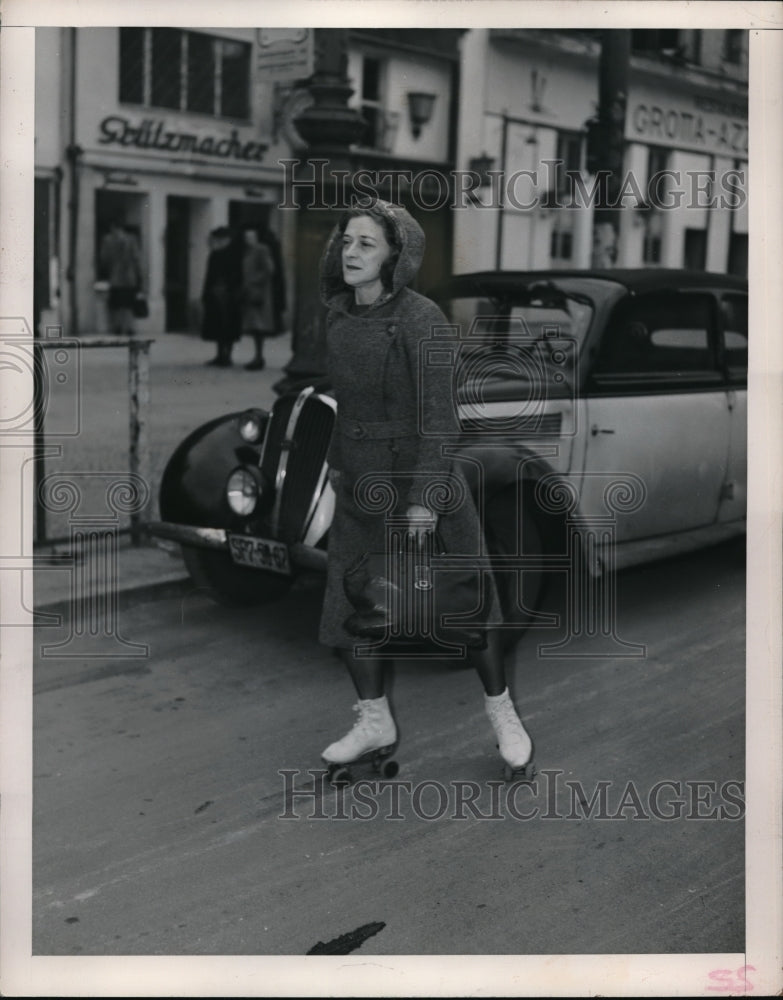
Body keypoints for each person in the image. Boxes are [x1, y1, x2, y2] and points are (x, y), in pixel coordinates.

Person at [318, 200, 533, 775]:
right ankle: (373, 720)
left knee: (467, 608)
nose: (352, 252)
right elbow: (345, 408)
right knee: (352, 609)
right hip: (362, 486)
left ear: (397, 255)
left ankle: (504, 716)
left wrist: (423, 500)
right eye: (347, 240)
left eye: (367, 243)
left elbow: (442, 418)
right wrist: (339, 469)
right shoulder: (338, 315)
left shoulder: (422, 318)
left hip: (421, 484)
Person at [240, 226, 280, 371]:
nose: (247, 239)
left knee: (259, 326)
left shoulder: (261, 249)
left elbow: (269, 269)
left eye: (250, 237)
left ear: (256, 237)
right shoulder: (248, 251)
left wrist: (254, 281)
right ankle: (257, 357)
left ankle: (259, 357)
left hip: (259, 294)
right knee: (254, 327)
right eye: (246, 237)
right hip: (250, 293)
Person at [201, 226, 241, 367]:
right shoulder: (216, 254)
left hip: (227, 294)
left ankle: (226, 355)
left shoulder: (230, 255)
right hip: (219, 293)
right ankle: (221, 355)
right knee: (219, 326)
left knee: (226, 326)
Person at [98, 219, 142, 336]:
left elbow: (104, 259)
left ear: (113, 227)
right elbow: (136, 258)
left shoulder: (108, 240)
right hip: (129, 277)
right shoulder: (131, 239)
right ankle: (129, 327)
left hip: (115, 277)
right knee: (129, 304)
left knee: (116, 304)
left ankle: (117, 327)